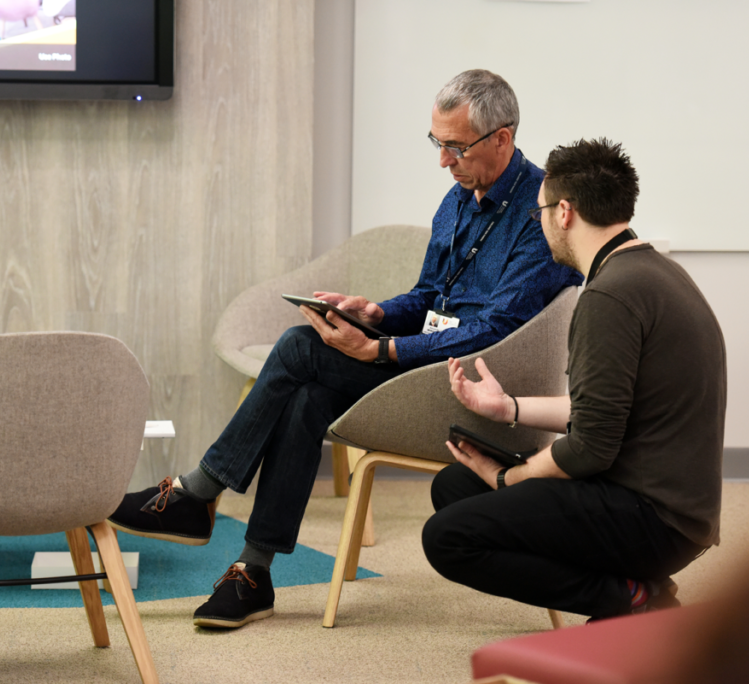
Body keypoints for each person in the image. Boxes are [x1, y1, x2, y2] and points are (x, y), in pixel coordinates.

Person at [109, 69, 583, 629]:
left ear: (501, 139)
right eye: (438, 144)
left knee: (296, 347)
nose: (443, 161)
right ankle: (253, 572)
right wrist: (377, 314)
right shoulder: (458, 199)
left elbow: (496, 332)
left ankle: (199, 492)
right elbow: (431, 295)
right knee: (307, 393)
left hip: (479, 387)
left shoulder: (543, 211)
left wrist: (380, 352)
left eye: (456, 148)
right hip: (426, 360)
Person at [423, 138, 726, 621]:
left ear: (564, 212)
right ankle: (636, 585)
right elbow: (607, 410)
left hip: (653, 519)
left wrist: (511, 478)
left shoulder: (610, 297)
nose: (538, 222)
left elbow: (590, 447)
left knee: (447, 538)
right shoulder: (654, 273)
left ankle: (630, 599)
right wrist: (509, 409)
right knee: (457, 487)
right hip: (673, 511)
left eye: (539, 210)